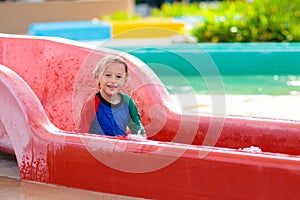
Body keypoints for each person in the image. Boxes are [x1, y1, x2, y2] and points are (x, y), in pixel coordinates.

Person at [79, 55, 146, 139]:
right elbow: (82, 134)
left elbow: (139, 133)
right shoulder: (92, 103)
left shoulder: (127, 102)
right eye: (108, 75)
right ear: (98, 78)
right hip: (98, 148)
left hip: (120, 147)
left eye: (118, 77)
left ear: (125, 80)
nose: (113, 81)